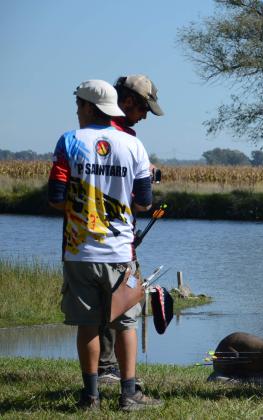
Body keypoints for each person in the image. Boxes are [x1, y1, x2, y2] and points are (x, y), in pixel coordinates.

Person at [48, 79, 163, 411]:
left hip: (79, 250)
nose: (77, 112)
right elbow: (143, 202)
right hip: (120, 252)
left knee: (87, 325)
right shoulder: (133, 145)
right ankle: (128, 395)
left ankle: (91, 397)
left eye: (78, 106)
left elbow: (56, 199)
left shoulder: (68, 140)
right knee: (126, 323)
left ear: (87, 106)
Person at [96, 74, 165, 385]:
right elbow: (141, 204)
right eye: (144, 109)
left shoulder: (90, 134)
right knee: (123, 302)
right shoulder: (127, 141)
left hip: (86, 240)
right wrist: (145, 179)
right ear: (126, 102)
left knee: (103, 304)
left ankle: (102, 369)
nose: (145, 117)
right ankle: (109, 370)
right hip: (117, 239)